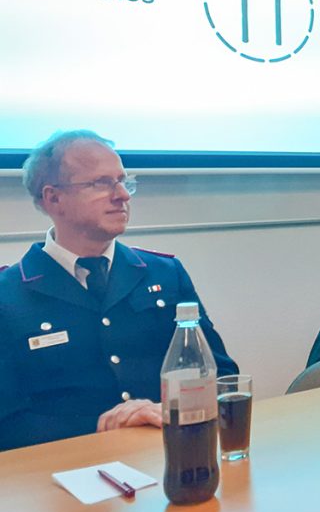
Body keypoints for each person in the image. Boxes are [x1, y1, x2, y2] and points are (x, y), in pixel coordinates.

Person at [0, 130, 237, 451]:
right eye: (101, 183)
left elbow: (220, 375)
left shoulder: (165, 273)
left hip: (169, 454)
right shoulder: (9, 295)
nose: (123, 195)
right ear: (53, 198)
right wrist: (101, 426)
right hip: (64, 472)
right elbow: (8, 421)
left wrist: (167, 412)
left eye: (124, 181)